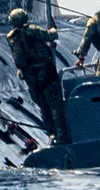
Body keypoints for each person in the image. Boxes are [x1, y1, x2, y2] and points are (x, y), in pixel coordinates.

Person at [6, 9, 67, 141]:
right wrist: (53, 28)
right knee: (55, 104)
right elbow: (51, 36)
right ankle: (62, 134)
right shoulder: (32, 29)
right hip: (45, 71)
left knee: (43, 106)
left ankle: (51, 134)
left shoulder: (11, 37)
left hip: (29, 75)